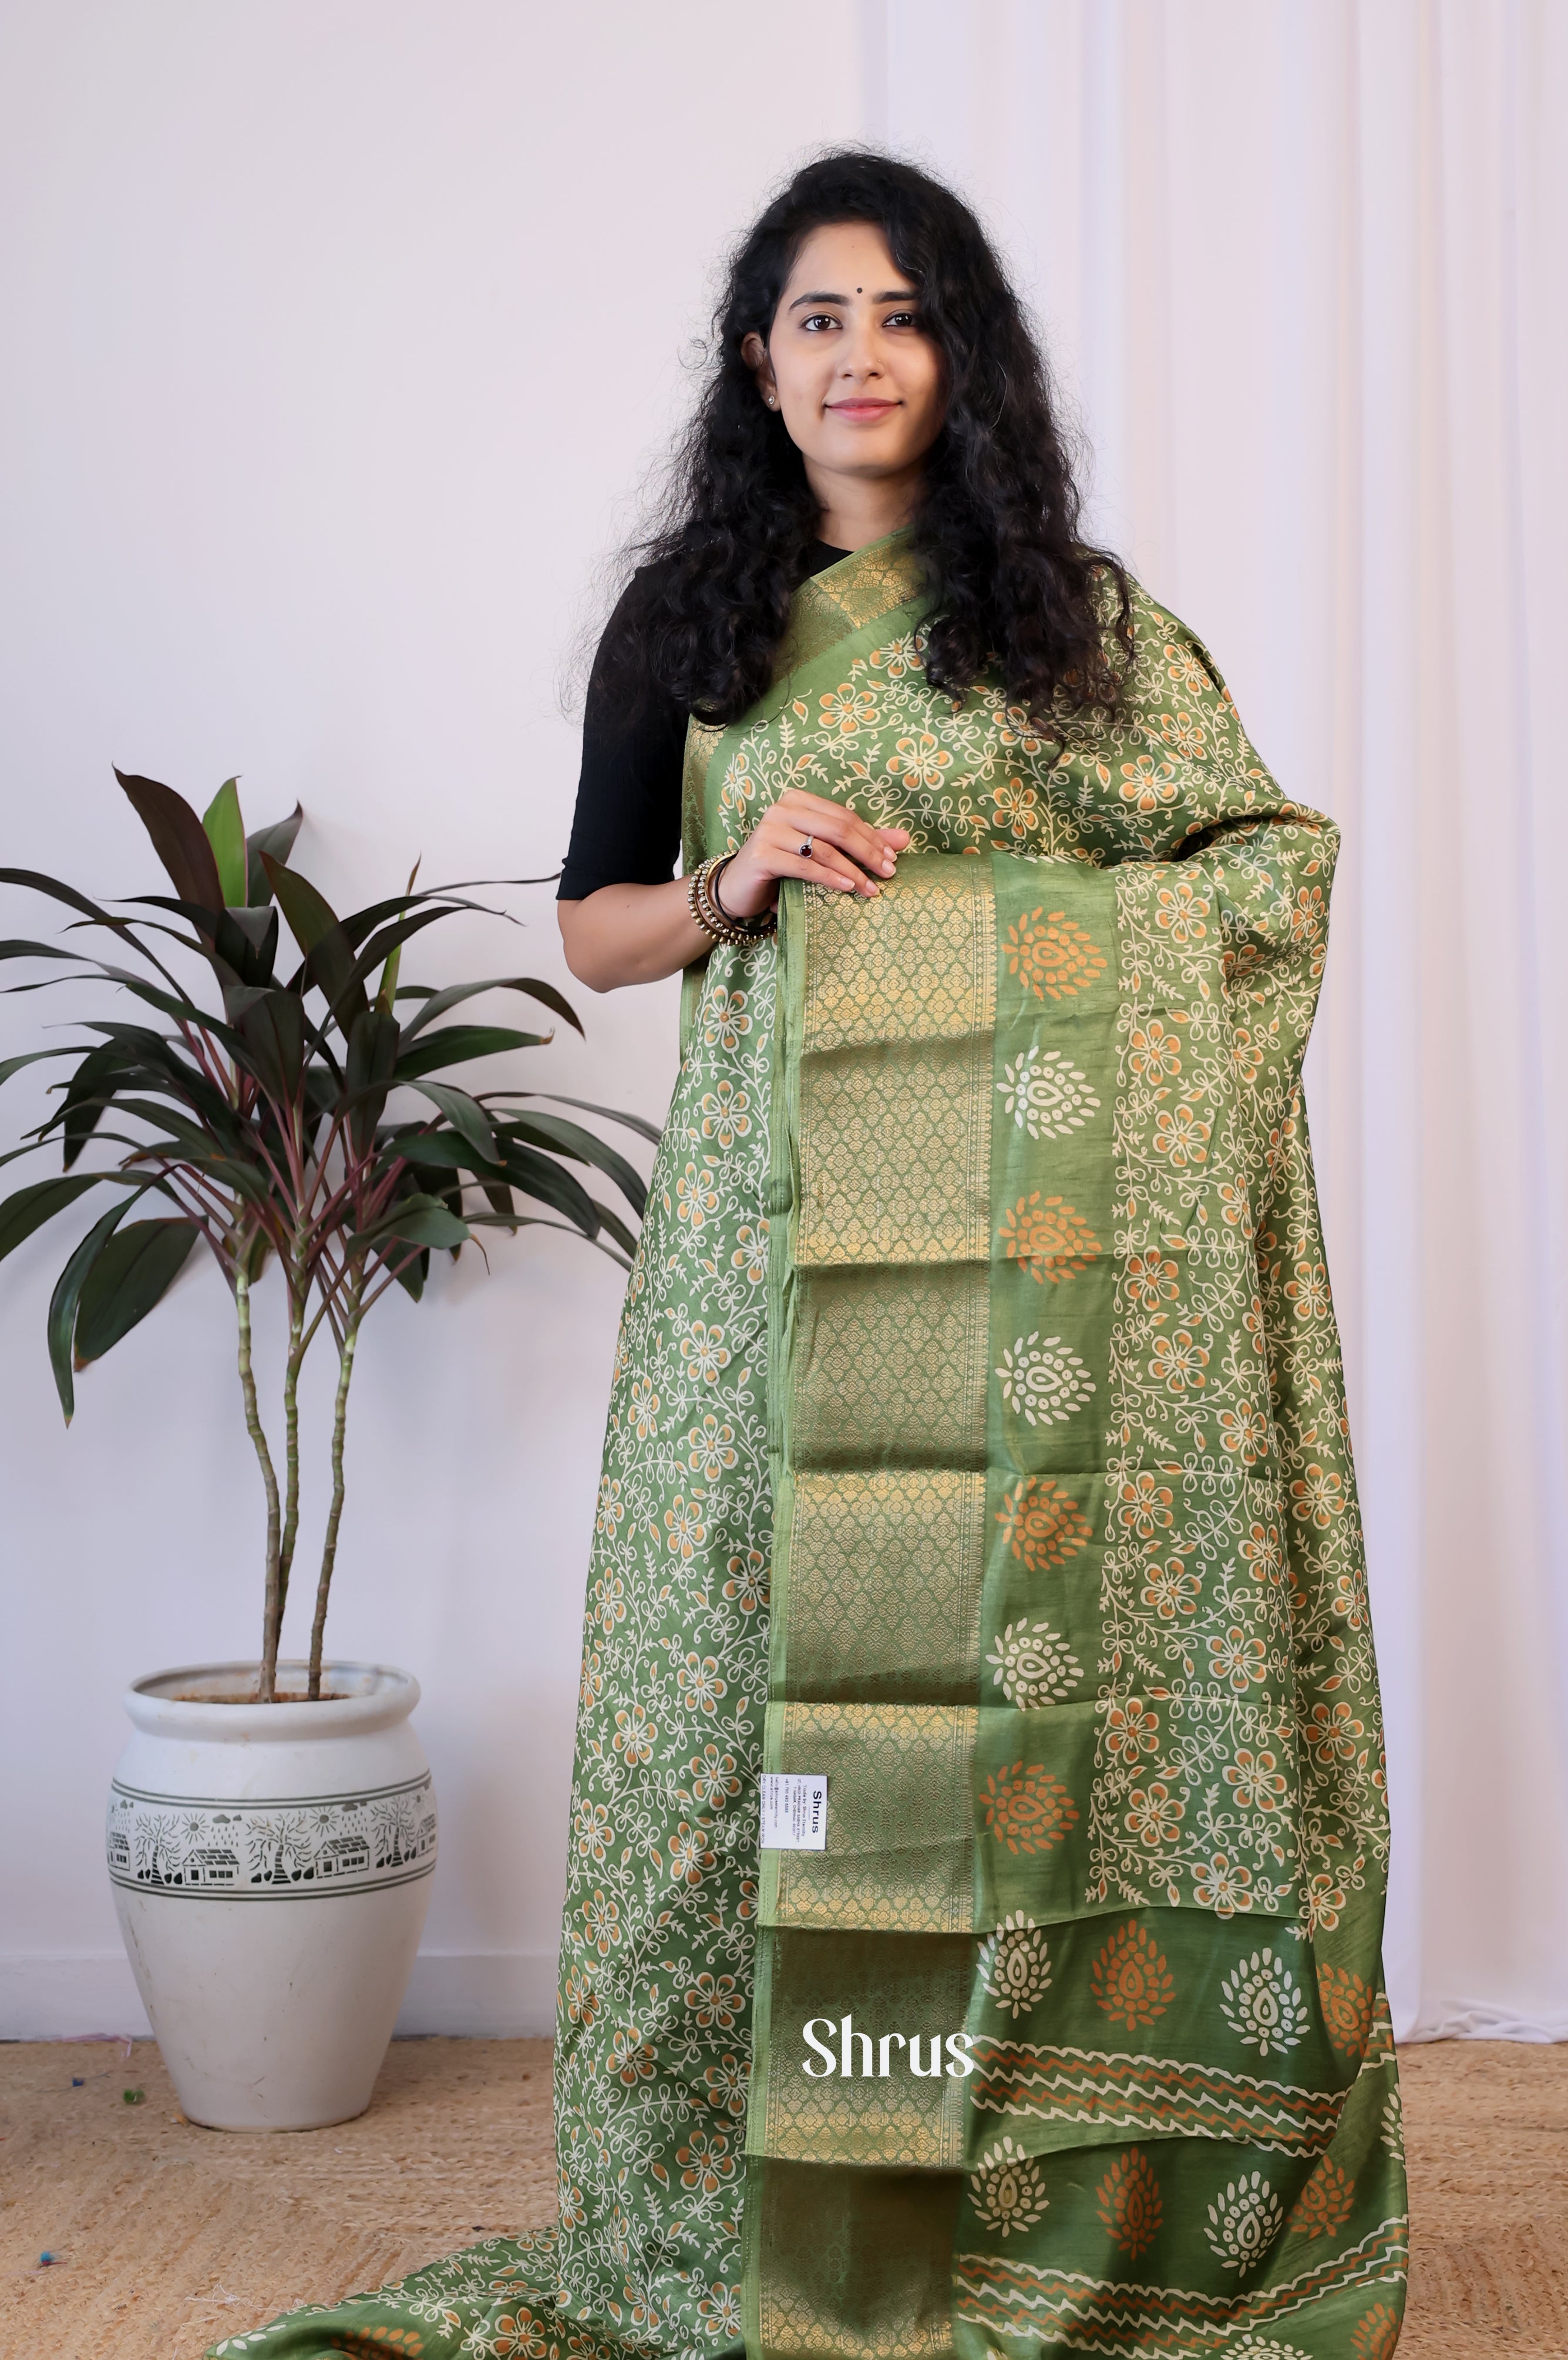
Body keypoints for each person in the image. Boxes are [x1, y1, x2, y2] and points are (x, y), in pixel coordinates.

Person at [221, 148, 1407, 2360]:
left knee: (1034, 1713)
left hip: (1051, 1304)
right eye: (817, 319)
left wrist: (996, 936)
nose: (861, 357)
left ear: (965, 359)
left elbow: (1259, 875)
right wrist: (737, 878)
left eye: (903, 314)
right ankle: (773, 2221)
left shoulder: (1074, 623)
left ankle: (1052, 2223)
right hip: (774, 1279)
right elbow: (595, 934)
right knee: (759, 1703)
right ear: (757, 366)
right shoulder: (686, 626)